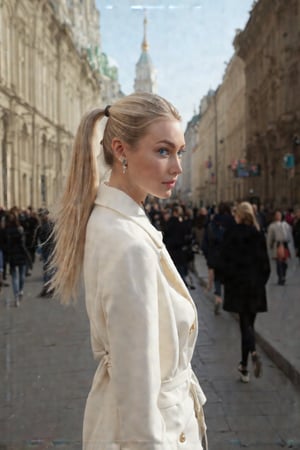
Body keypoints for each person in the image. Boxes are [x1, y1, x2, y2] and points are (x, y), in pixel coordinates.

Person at [50, 93, 207, 449]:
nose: (177, 167)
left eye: (179, 152)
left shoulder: (116, 221)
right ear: (121, 150)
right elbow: (137, 388)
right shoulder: (128, 243)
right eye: (163, 151)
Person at [219, 202, 270, 383]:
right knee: (248, 325)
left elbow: (223, 260)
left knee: (245, 324)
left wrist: (225, 281)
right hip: (255, 287)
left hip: (238, 286)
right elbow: (266, 265)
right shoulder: (258, 234)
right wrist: (260, 282)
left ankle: (251, 355)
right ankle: (244, 365)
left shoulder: (231, 233)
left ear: (239, 215)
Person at [5, 210, 31, 307]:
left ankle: (16, 297)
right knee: (22, 275)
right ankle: (20, 290)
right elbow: (23, 244)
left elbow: (6, 245)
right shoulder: (20, 229)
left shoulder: (7, 230)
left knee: (14, 277)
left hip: (12, 255)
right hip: (21, 254)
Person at [267, 210, 295, 285]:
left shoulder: (286, 225)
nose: (278, 216)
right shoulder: (272, 226)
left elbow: (290, 235)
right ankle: (280, 277)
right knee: (279, 262)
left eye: (279, 215)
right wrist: (270, 245)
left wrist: (291, 245)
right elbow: (270, 237)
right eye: (276, 215)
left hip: (285, 245)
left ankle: (283, 275)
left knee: (284, 263)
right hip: (278, 245)